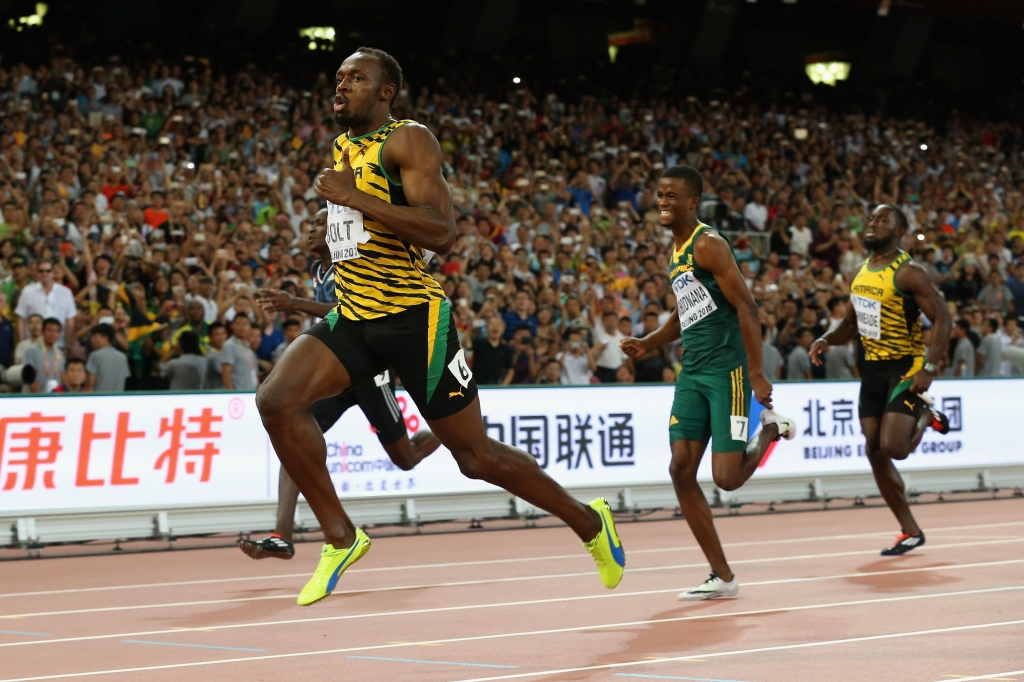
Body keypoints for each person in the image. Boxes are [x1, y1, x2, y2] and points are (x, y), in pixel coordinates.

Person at [256, 47, 624, 606]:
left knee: (476, 459)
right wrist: (330, 235)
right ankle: (340, 536)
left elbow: (440, 232)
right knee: (277, 400)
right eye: (338, 78)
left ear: (386, 92)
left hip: (415, 320)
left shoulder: (410, 139)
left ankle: (589, 522)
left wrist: (351, 198)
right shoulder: (342, 146)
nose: (341, 85)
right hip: (354, 314)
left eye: (356, 78)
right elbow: (366, 230)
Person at [621, 165, 795, 601]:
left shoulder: (709, 244)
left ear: (693, 202)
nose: (662, 201)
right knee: (680, 469)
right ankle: (722, 575)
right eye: (658, 194)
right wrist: (651, 342)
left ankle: (772, 428)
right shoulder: (677, 251)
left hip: (729, 374)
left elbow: (748, 307)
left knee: (727, 479)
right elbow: (686, 313)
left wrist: (755, 372)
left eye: (671, 196)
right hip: (692, 373)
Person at [242, 207, 442, 560]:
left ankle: (455, 431)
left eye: (321, 223)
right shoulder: (320, 268)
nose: (312, 229)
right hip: (336, 374)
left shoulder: (352, 263)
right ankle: (281, 535)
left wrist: (296, 304)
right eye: (312, 222)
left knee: (406, 458)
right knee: (293, 441)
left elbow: (351, 310)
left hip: (369, 372)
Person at [810, 204, 952, 556]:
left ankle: (924, 416)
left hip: (905, 367)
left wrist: (929, 368)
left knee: (894, 448)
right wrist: (827, 338)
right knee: (874, 450)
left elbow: (944, 320)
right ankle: (910, 531)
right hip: (872, 370)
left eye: (883, 221)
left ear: (900, 231)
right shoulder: (860, 273)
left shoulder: (908, 273)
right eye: (871, 219)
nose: (873, 224)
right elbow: (849, 326)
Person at [15, 259, 76, 348]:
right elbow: (21, 319)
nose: (45, 273)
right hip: (33, 344)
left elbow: (70, 321)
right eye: (41, 271)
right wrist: (22, 343)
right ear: (37, 273)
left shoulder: (66, 292)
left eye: (48, 271)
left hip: (58, 344)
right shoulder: (28, 291)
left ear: (53, 272)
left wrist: (68, 346)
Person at [85, 323, 131, 392]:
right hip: (118, 399)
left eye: (95, 336)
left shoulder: (95, 355)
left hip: (98, 399)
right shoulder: (122, 357)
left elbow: (90, 385)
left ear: (106, 338)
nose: (92, 340)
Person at [24, 317, 65, 392]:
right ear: (42, 331)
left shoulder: (60, 353)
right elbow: (29, 378)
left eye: (56, 331)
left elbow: (63, 377)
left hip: (56, 398)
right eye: (49, 330)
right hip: (35, 398)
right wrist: (42, 396)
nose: (53, 334)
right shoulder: (32, 351)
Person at [220, 315, 259, 390]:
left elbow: (253, 373)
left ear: (250, 327)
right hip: (238, 395)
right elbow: (225, 373)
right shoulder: (229, 345)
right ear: (232, 326)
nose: (242, 327)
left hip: (250, 392)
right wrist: (230, 394)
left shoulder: (248, 348)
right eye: (238, 324)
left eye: (245, 324)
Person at [205, 322, 228, 389]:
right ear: (210, 337)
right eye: (217, 335)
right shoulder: (210, 356)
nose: (221, 338)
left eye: (223, 334)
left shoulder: (226, 352)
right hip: (216, 393)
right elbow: (225, 372)